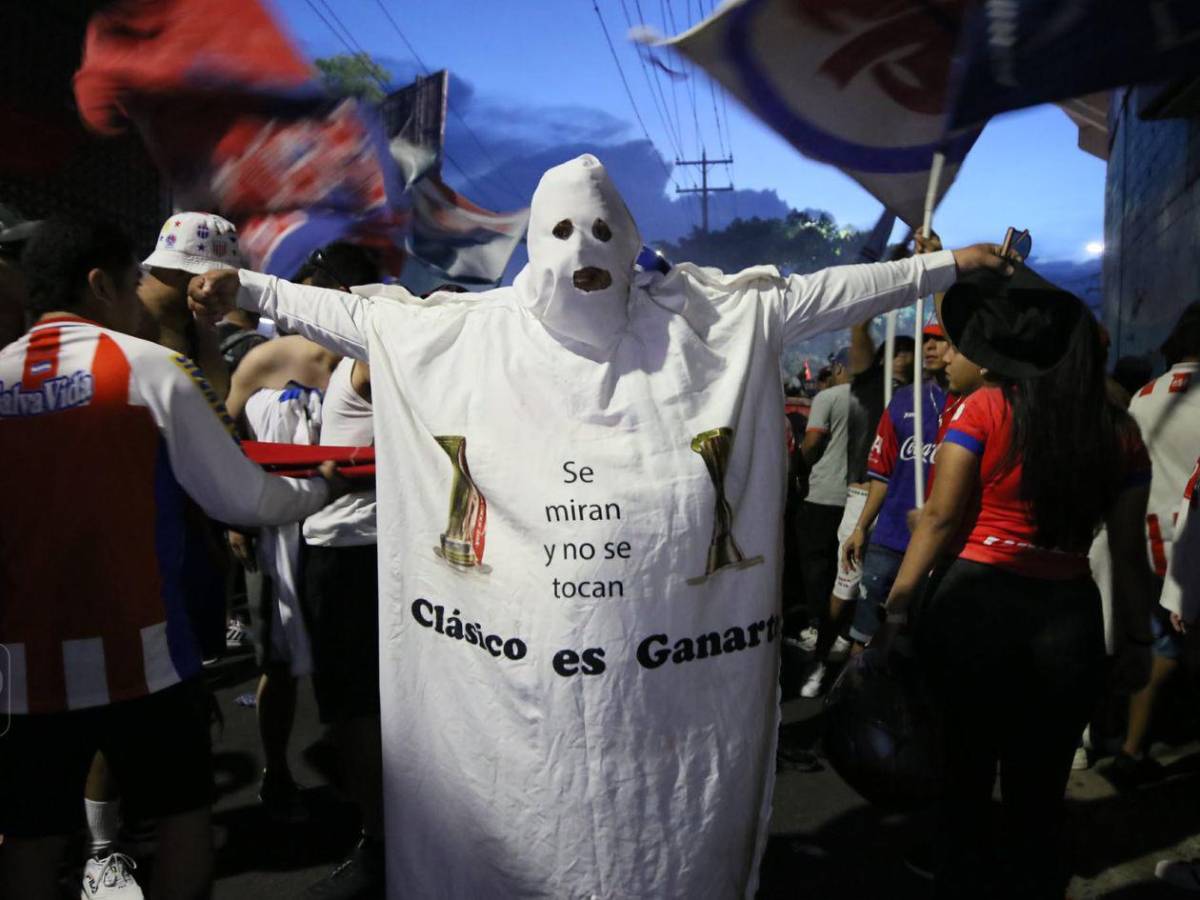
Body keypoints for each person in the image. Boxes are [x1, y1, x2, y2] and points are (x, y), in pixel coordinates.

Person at [189, 153, 1011, 899]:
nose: (583, 249)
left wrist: (941, 267)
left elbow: (827, 291)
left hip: (659, 689)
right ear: (533, 247)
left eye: (603, 230)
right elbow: (352, 318)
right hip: (515, 686)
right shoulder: (465, 335)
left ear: (631, 242)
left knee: (651, 839)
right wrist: (252, 290)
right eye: (562, 230)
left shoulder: (704, 325)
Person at [0, 218, 348, 900]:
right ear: (99, 283)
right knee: (184, 818)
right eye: (130, 283)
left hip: (21, 665)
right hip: (147, 655)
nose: (136, 299)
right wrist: (324, 487)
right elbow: (242, 498)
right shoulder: (150, 367)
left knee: (32, 837)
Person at [875, 265, 1157, 899]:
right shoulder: (1121, 435)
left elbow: (942, 518)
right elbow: (1129, 553)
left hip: (975, 605)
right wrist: (1137, 641)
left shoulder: (985, 408)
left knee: (964, 772)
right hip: (1067, 618)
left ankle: (962, 877)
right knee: (1040, 784)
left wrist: (895, 613)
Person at [1105, 303, 1200, 788]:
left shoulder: (1142, 397)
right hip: (1194, 549)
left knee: (1156, 642)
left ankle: (1130, 746)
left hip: (1145, 543)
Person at [842, 323, 972, 654]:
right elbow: (881, 474)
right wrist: (860, 527)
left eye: (939, 339)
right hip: (889, 538)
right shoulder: (903, 400)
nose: (929, 346)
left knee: (919, 642)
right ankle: (860, 700)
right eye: (924, 339)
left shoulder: (974, 405)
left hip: (943, 546)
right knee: (865, 636)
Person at [138, 212, 246, 402]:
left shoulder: (192, 324)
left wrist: (206, 330)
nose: (224, 296)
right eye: (217, 284)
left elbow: (214, 397)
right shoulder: (123, 314)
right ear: (179, 272)